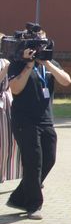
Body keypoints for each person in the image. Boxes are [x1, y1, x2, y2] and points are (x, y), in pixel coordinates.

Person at [5, 28, 71, 219]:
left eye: (42, 42)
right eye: (36, 43)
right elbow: (15, 89)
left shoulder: (49, 63)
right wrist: (28, 64)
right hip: (24, 120)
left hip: (46, 119)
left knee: (49, 159)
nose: (40, 46)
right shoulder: (17, 64)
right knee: (33, 162)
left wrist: (47, 63)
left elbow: (66, 81)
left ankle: (19, 197)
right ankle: (34, 204)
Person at [0, 37, 22, 184]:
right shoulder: (6, 64)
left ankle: (3, 173)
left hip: (8, 103)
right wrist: (6, 68)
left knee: (8, 142)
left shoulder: (10, 61)